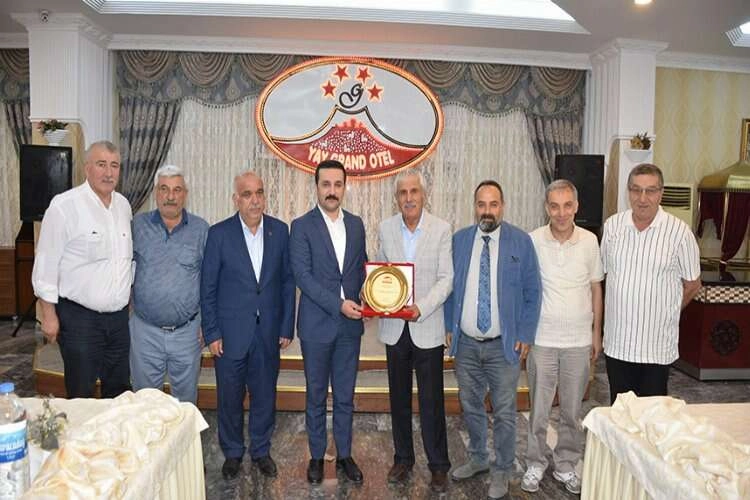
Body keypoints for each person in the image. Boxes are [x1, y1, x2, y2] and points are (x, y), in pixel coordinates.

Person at [445, 180, 542, 500]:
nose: (487, 211)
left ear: (503, 206)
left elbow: (533, 292)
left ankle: (502, 468)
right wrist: (449, 324)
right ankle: (478, 458)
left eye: (493, 204)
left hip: (504, 345)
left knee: (504, 411)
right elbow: (450, 287)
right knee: (470, 404)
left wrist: (526, 334)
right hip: (467, 344)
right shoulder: (460, 240)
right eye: (481, 204)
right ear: (474, 207)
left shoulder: (521, 242)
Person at [200, 171, 296, 479]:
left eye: (259, 193)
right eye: (247, 194)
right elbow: (208, 288)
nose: (254, 200)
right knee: (229, 397)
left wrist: (286, 326)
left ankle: (261, 450)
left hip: (267, 332)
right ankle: (232, 452)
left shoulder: (280, 231)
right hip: (229, 335)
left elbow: (287, 282)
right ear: (236, 199)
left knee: (265, 395)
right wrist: (212, 332)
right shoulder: (219, 234)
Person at [521, 179, 603, 495]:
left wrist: (596, 333)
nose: (561, 213)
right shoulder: (533, 240)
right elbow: (526, 290)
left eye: (567, 205)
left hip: (578, 342)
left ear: (576, 207)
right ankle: (535, 462)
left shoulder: (590, 241)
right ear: (546, 207)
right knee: (539, 410)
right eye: (554, 206)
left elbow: (596, 288)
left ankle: (566, 464)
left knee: (571, 411)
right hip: (542, 340)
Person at [32, 140, 133, 399]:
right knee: (81, 393)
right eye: (101, 164)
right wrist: (49, 315)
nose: (108, 173)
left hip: (119, 321)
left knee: (120, 392)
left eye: (114, 166)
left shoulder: (124, 206)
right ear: (87, 168)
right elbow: (45, 264)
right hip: (80, 320)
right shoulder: (64, 206)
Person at [289, 160, 368, 485]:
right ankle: (317, 457)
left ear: (344, 187)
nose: (332, 191)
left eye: (337, 184)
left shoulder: (357, 224)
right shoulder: (301, 226)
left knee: (346, 396)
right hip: (316, 327)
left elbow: (362, 267)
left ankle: (345, 455)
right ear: (317, 187)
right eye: (326, 184)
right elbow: (303, 277)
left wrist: (373, 295)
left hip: (349, 329)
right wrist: (339, 305)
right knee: (316, 396)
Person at [374, 170, 453, 493]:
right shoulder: (385, 228)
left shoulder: (441, 229)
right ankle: (403, 459)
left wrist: (421, 307)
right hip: (395, 329)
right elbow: (380, 272)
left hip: (426, 325)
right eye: (403, 193)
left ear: (424, 194)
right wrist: (373, 294)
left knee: (432, 400)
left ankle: (438, 465)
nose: (409, 198)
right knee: (399, 399)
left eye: (414, 191)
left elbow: (446, 279)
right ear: (396, 198)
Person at [601, 163, 701, 403]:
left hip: (655, 347)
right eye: (636, 190)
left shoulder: (679, 233)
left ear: (661, 193)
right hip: (618, 344)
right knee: (620, 414)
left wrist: (668, 311)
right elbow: (603, 275)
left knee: (652, 416)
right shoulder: (612, 227)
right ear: (628, 192)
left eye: (650, 190)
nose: (642, 198)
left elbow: (693, 284)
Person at [130, 165, 208, 404]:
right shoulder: (137, 225)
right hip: (145, 332)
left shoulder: (201, 229)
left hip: (187, 333)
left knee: (185, 404)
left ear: (185, 194)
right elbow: (121, 268)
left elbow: (209, 281)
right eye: (164, 189)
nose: (170, 196)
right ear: (156, 193)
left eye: (177, 190)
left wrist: (206, 322)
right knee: (145, 404)